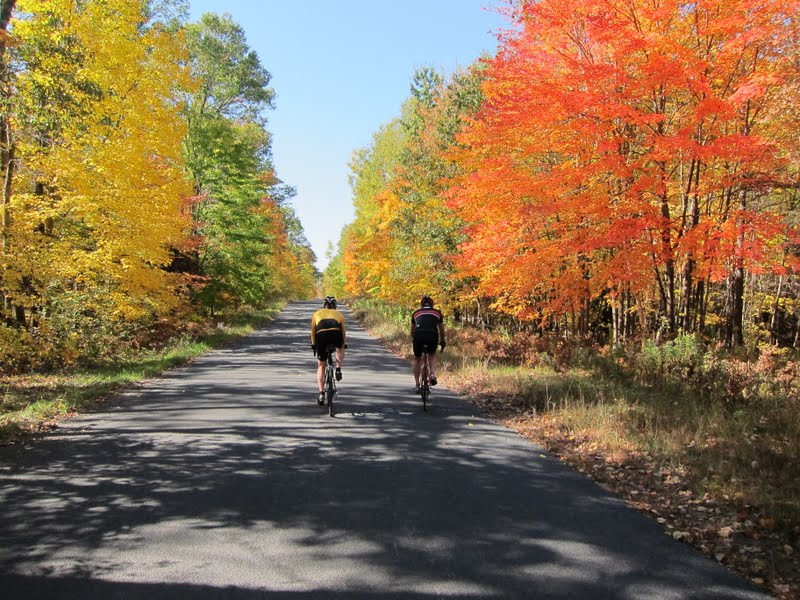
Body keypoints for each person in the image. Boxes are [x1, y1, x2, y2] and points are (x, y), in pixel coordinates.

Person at [311, 296, 347, 405]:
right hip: (335, 334)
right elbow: (343, 332)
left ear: (324, 305)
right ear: (335, 306)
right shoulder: (339, 314)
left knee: (321, 365)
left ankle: (321, 394)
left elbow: (313, 331)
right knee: (340, 348)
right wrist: (343, 344)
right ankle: (338, 369)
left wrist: (313, 345)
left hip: (321, 336)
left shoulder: (316, 314)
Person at [411, 295, 446, 394]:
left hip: (419, 336)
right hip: (432, 336)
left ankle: (417, 385)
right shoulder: (437, 313)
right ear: (432, 304)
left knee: (417, 358)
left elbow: (412, 331)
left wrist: (414, 339)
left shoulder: (416, 313)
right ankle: (432, 374)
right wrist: (443, 340)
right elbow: (442, 330)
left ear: (421, 304)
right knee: (432, 354)